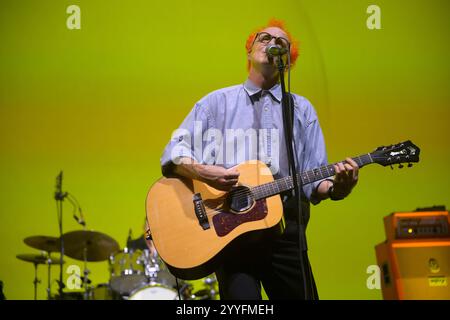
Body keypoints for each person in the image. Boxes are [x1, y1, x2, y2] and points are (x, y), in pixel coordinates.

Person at [159, 19, 359, 299]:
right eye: (265, 38)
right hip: (230, 236)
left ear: (287, 62)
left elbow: (316, 181)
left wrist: (339, 187)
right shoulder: (216, 104)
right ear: (249, 51)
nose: (273, 44)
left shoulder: (301, 110)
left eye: (282, 43)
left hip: (286, 234)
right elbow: (173, 154)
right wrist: (205, 173)